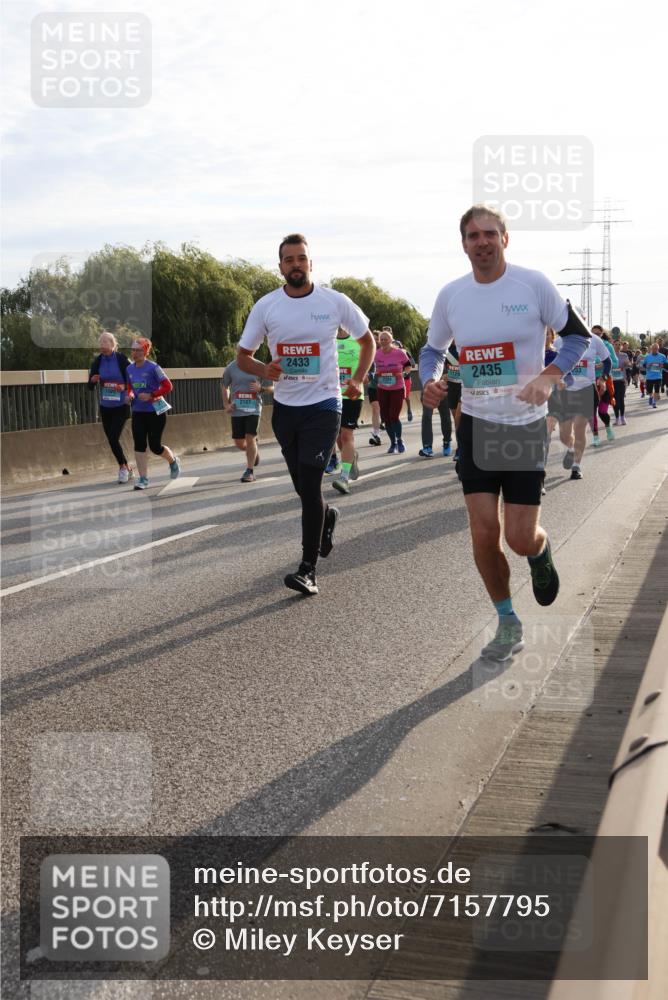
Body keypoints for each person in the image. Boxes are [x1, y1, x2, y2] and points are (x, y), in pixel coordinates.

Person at [420, 205, 589, 662]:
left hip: (522, 427)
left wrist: (549, 376)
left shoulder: (532, 285)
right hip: (475, 423)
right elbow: (433, 349)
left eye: (490, 233)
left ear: (505, 239)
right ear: (463, 243)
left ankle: (539, 548)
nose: (482, 242)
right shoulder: (452, 295)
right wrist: (429, 380)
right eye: (473, 235)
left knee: (517, 537)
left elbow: (579, 338)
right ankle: (507, 620)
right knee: (482, 531)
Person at [236, 233, 374, 596]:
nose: (295, 265)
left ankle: (307, 569)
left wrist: (358, 379)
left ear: (311, 263)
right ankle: (327, 517)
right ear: (280, 266)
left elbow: (367, 340)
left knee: (311, 483)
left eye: (301, 258)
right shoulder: (267, 306)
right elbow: (242, 356)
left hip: (325, 404)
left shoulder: (334, 301)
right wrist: (264, 369)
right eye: (289, 260)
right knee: (303, 488)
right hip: (286, 409)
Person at [553, 327, 611, 477]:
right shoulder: (559, 341)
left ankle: (576, 466)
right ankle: (570, 449)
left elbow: (608, 361)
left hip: (586, 389)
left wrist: (603, 378)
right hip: (565, 391)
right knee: (564, 434)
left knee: (580, 427)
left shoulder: (595, 340)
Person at [126, 337, 180, 490]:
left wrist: (152, 395)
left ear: (145, 352)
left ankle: (172, 461)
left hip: (155, 411)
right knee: (139, 445)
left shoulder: (153, 367)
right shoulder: (129, 369)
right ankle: (143, 479)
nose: (134, 353)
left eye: (138, 350)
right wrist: (129, 394)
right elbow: (129, 386)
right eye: (133, 350)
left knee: (155, 446)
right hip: (138, 411)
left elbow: (168, 386)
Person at [87, 331, 133, 483]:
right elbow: (90, 387)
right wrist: (93, 381)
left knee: (113, 438)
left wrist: (124, 388)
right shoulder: (98, 361)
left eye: (105, 343)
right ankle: (126, 467)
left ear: (113, 345)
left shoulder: (121, 359)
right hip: (106, 407)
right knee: (111, 440)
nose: (102, 346)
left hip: (121, 405)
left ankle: (122, 468)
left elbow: (133, 378)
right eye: (100, 343)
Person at [222, 359, 266, 482]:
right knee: (239, 443)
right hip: (237, 409)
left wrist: (261, 388)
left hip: (254, 408)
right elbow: (225, 386)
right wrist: (226, 404)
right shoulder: (231, 367)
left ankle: (249, 471)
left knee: (250, 437)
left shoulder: (259, 366)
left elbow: (271, 387)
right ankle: (253, 451)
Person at [331, 327, 363, 495]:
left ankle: (343, 478)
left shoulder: (358, 341)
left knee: (346, 435)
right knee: (336, 435)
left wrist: (359, 379)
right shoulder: (328, 340)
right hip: (331, 394)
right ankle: (351, 458)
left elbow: (367, 369)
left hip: (352, 395)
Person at [375, 330, 412, 453]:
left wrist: (403, 373)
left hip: (397, 388)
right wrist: (375, 373)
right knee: (386, 417)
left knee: (394, 416)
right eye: (382, 339)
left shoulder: (399, 353)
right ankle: (393, 443)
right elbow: (372, 367)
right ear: (379, 341)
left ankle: (400, 440)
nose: (384, 341)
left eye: (386, 339)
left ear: (391, 340)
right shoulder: (377, 354)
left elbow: (408, 366)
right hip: (382, 388)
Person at [367, 331, 382, 445]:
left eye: (378, 339)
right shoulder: (368, 351)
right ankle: (376, 434)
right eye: (374, 338)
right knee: (375, 409)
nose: (376, 340)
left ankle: (396, 437)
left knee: (385, 411)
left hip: (386, 387)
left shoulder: (386, 352)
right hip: (373, 385)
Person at [641, 342, 666, 407]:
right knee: (649, 391)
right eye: (653, 348)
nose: (655, 350)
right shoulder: (647, 356)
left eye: (656, 348)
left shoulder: (662, 356)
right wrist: (647, 365)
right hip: (649, 377)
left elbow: (666, 365)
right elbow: (643, 365)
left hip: (658, 376)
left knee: (657, 391)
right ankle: (651, 397)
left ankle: (654, 402)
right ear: (651, 349)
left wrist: (662, 365)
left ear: (658, 349)